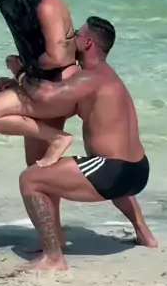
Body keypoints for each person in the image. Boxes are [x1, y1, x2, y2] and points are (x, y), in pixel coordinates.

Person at [14, 16, 157, 272]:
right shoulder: (109, 77)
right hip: (138, 171)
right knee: (107, 172)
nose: (70, 40)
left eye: (76, 35)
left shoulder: (89, 78)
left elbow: (46, 95)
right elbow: (65, 104)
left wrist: (19, 72)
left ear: (88, 43)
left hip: (112, 172)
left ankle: (53, 257)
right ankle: (144, 234)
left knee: (31, 179)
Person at [0, 0, 79, 250]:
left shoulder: (47, 5)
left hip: (57, 88)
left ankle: (57, 138)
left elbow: (57, 56)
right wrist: (20, 77)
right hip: (41, 84)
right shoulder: (29, 10)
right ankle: (53, 238)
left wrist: (21, 70)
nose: (0, 5)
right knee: (39, 171)